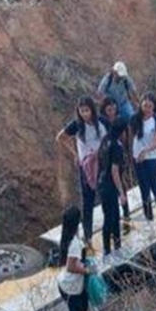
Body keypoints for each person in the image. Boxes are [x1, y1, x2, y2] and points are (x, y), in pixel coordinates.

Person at [57, 97, 107, 244]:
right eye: (82, 111)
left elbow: (109, 136)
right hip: (86, 166)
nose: (85, 114)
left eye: (87, 110)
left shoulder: (101, 122)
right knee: (87, 201)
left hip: (102, 162)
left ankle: (109, 227)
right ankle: (88, 235)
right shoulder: (77, 125)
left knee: (106, 196)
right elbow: (61, 137)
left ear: (92, 109)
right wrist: (76, 154)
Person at [57, 206, 95, 311]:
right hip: (71, 287)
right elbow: (71, 266)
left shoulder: (68, 237)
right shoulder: (73, 243)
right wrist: (87, 270)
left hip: (73, 284)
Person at [131, 94, 156, 221]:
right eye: (145, 105)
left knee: (155, 185)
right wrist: (135, 154)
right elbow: (132, 138)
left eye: (150, 106)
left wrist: (145, 151)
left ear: (154, 107)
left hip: (151, 157)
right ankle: (148, 216)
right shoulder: (135, 119)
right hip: (138, 158)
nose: (147, 109)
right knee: (144, 187)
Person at [97, 119, 128, 257]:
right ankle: (112, 248)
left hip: (102, 182)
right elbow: (115, 171)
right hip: (110, 184)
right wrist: (121, 192)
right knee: (112, 217)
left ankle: (109, 247)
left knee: (109, 216)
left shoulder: (105, 140)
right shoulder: (117, 146)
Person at [100, 97, 133, 224]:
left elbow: (126, 138)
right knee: (113, 184)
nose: (112, 110)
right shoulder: (102, 121)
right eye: (109, 108)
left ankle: (125, 211)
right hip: (107, 158)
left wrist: (128, 155)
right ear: (104, 109)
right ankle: (112, 215)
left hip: (118, 155)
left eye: (113, 107)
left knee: (120, 182)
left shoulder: (121, 120)